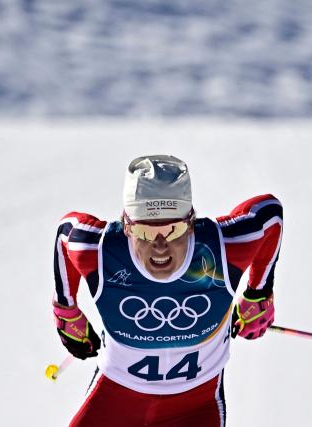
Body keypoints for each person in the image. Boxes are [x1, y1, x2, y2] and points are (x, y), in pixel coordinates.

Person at [52, 155, 283, 426]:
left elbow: (270, 213)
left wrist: (258, 293)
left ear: (191, 221)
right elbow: (66, 233)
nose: (160, 246)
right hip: (115, 403)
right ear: (127, 227)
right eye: (145, 233)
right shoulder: (102, 252)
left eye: (173, 230)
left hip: (195, 409)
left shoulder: (221, 250)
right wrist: (66, 310)